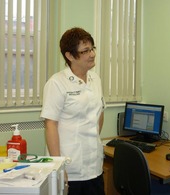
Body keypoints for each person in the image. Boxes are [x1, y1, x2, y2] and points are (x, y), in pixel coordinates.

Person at [40, 27, 106, 195]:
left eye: (92, 49)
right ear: (69, 56)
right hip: (71, 168)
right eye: (85, 51)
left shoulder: (95, 79)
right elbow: (50, 125)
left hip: (94, 165)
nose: (92, 54)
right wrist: (58, 167)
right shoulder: (57, 83)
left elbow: (99, 113)